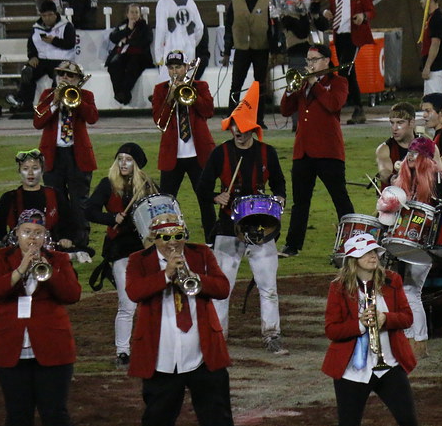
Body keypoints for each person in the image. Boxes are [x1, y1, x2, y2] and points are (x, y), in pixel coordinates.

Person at [125, 212, 246, 426]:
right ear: (153, 238)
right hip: (162, 355)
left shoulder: (201, 254)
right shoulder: (139, 261)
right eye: (165, 238)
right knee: (157, 418)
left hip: (202, 352)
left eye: (178, 236)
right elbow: (134, 292)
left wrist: (195, 278)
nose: (172, 243)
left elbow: (222, 287)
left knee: (217, 416)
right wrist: (165, 275)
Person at [308, 233, 421, 426]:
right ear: (352, 260)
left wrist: (385, 318)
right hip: (353, 369)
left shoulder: (392, 281)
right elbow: (332, 330)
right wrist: (360, 324)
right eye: (367, 253)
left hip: (388, 365)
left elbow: (406, 317)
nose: (374, 256)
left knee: (408, 420)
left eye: (375, 252)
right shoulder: (338, 288)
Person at [0, 209, 81, 426]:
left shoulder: (58, 259)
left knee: (55, 413)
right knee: (17, 416)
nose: (32, 239)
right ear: (17, 235)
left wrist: (45, 272)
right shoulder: (2, 259)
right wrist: (20, 269)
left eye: (38, 233)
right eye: (27, 233)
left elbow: (71, 294)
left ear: (45, 236)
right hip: (12, 350)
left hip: (53, 350)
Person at [198, 83, 289, 355]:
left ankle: (272, 335)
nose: (238, 131)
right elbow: (202, 188)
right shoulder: (220, 153)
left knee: (268, 287)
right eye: (235, 126)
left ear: (253, 127)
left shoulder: (267, 153)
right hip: (227, 228)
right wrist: (217, 197)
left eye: (243, 126)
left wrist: (280, 198)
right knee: (222, 288)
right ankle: (218, 338)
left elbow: (280, 184)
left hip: (261, 227)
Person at [84, 143, 157, 370]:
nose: (123, 164)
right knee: (127, 303)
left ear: (137, 164)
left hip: (147, 249)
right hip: (120, 250)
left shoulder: (148, 185)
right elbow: (89, 210)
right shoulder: (108, 184)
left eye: (128, 160)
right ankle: (123, 351)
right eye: (120, 159)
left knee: (152, 300)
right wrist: (111, 218)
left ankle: (151, 346)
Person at [279, 43, 355, 258]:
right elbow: (285, 110)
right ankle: (292, 245)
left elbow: (334, 104)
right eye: (308, 60)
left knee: (340, 198)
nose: (309, 64)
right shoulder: (302, 85)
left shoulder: (338, 82)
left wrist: (315, 83)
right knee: (300, 202)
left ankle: (353, 240)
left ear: (326, 61)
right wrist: (291, 89)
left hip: (329, 151)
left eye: (313, 60)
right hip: (302, 152)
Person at [379, 136, 442, 359]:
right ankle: (409, 340)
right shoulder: (402, 180)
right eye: (409, 151)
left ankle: (418, 342)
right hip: (401, 242)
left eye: (416, 153)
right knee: (402, 290)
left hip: (423, 246)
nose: (410, 156)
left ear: (426, 158)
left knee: (411, 291)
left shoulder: (438, 180)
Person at [152, 50, 217, 242]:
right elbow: (159, 122)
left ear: (186, 68)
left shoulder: (200, 86)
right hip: (173, 156)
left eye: (178, 67)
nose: (174, 72)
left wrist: (192, 95)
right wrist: (170, 98)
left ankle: (212, 241)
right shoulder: (160, 90)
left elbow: (209, 111)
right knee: (167, 201)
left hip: (198, 154)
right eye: (171, 68)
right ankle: (169, 240)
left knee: (205, 199)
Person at [34, 61, 98, 248]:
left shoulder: (85, 95)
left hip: (77, 154)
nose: (64, 78)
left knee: (79, 202)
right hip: (53, 155)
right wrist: (54, 104)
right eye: (61, 74)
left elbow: (92, 118)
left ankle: (80, 242)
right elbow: (38, 122)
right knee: (55, 199)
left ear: (78, 79)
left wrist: (76, 102)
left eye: (70, 75)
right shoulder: (48, 94)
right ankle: (58, 240)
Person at [324, 0, 375, 125]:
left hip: (354, 35)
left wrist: (363, 16)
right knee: (347, 72)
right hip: (340, 34)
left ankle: (344, 105)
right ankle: (356, 107)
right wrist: (328, 13)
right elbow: (333, 9)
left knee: (345, 70)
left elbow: (370, 10)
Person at [0, 149, 77, 250]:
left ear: (42, 170)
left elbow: (68, 223)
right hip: (18, 254)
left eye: (35, 168)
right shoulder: (9, 198)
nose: (30, 173)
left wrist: (66, 239)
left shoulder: (54, 195)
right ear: (19, 171)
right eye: (26, 169)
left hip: (51, 253)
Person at [222, 0, 273, 128]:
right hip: (242, 48)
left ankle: (259, 119)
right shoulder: (235, 2)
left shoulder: (267, 2)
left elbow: (272, 28)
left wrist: (275, 50)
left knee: (260, 85)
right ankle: (232, 116)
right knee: (236, 84)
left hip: (261, 48)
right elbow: (228, 28)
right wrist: (226, 51)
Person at [6, 1, 76, 113]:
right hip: (42, 60)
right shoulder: (36, 28)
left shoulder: (66, 26)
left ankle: (55, 104)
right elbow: (31, 45)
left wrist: (54, 41)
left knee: (59, 77)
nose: (47, 18)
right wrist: (32, 56)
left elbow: (70, 44)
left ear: (55, 14)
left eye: (49, 15)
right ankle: (24, 103)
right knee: (27, 71)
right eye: (44, 16)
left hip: (62, 60)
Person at [153, 0, 204, 75]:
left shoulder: (163, 2)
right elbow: (200, 28)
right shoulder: (190, 1)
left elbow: (161, 30)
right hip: (189, 51)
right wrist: (192, 42)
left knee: (169, 87)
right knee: (186, 86)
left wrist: (159, 56)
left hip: (170, 51)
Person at [107, 3, 154, 105]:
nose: (134, 15)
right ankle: (120, 93)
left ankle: (123, 93)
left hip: (140, 56)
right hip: (123, 54)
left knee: (132, 66)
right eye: (132, 12)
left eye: (136, 12)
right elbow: (113, 37)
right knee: (114, 65)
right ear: (127, 14)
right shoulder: (123, 25)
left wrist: (128, 41)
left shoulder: (144, 27)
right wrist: (128, 30)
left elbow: (146, 40)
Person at [414, 0, 442, 96]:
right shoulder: (432, 18)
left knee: (434, 99)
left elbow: (435, 44)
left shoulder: (437, 19)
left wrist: (427, 66)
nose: (421, 1)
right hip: (435, 65)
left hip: (436, 66)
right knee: (430, 99)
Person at [375, 102, 417, 187]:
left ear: (411, 122)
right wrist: (394, 179)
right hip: (395, 198)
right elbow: (384, 171)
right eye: (392, 123)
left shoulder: (427, 146)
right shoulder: (384, 148)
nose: (394, 128)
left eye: (400, 123)